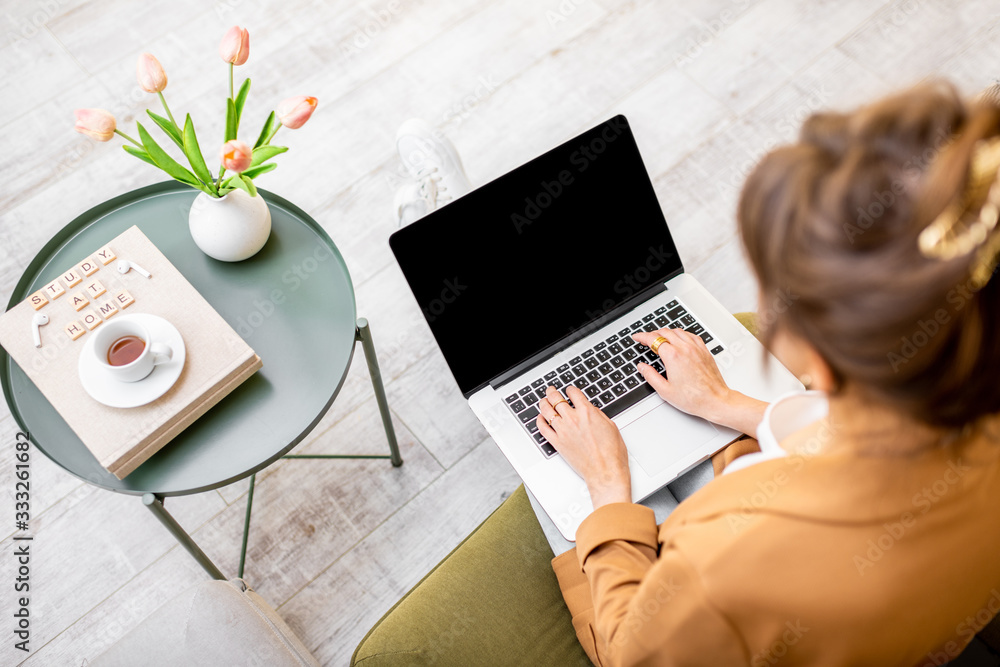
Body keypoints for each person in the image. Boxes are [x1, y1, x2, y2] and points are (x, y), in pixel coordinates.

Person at [530, 80, 1000, 665]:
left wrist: (606, 487)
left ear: (821, 360)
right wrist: (725, 403)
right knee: (694, 444)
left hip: (688, 624)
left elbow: (634, 651)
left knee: (552, 478)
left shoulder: (723, 560)